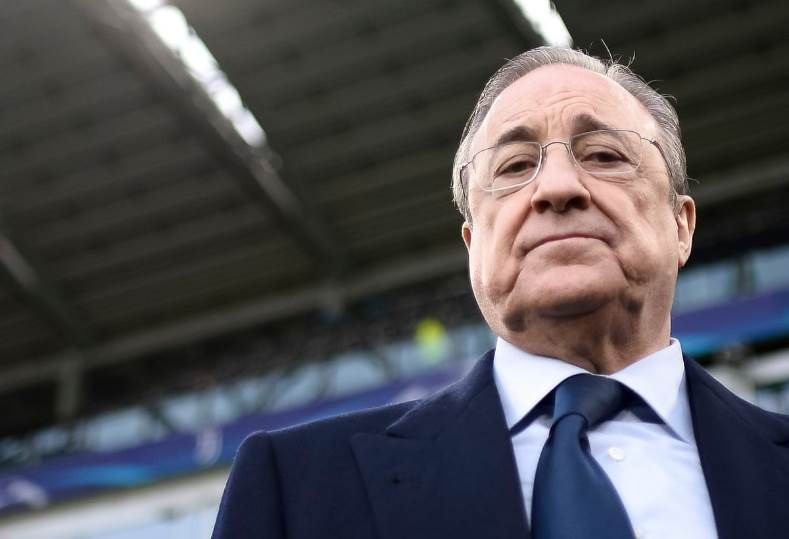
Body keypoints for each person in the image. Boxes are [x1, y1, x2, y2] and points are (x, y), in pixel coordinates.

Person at [211, 47, 789, 539]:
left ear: (681, 225)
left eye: (604, 155)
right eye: (514, 167)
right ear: (473, 245)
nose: (557, 187)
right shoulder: (297, 485)